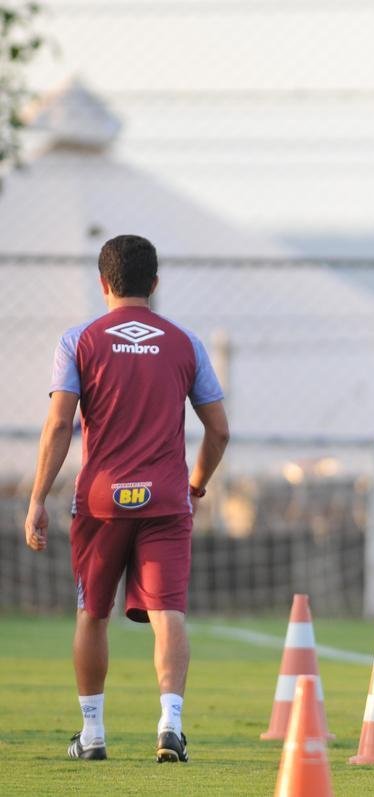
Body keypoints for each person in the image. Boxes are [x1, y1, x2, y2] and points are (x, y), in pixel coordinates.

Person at [24, 235, 229, 764]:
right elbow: (219, 431)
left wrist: (37, 498)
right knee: (168, 613)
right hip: (164, 500)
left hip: (100, 503)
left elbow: (59, 423)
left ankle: (92, 735)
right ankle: (170, 727)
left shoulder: (79, 341)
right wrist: (195, 486)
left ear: (103, 283)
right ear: (155, 284)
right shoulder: (186, 343)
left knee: (92, 615)